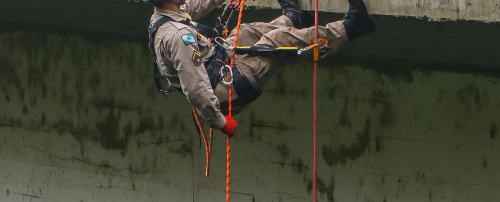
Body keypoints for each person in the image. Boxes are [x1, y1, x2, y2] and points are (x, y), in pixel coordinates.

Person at [146, 0, 375, 137]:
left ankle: (293, 17)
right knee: (275, 41)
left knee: (245, 31)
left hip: (219, 64)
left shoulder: (166, 15)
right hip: (225, 91)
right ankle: (352, 27)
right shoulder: (178, 36)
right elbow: (195, 88)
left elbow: (198, 3)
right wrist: (220, 122)